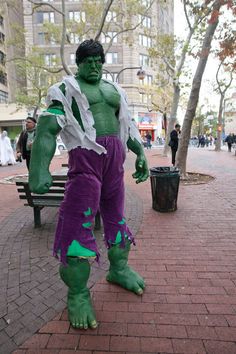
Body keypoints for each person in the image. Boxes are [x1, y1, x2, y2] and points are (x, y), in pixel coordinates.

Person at [29, 39, 149, 330]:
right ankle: (78, 294)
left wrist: (141, 152)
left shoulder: (114, 90)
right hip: (85, 165)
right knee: (77, 227)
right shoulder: (67, 90)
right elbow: (47, 129)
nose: (94, 66)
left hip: (115, 166)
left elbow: (127, 127)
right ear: (79, 64)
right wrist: (38, 169)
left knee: (117, 220)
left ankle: (118, 269)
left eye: (98, 61)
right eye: (88, 62)